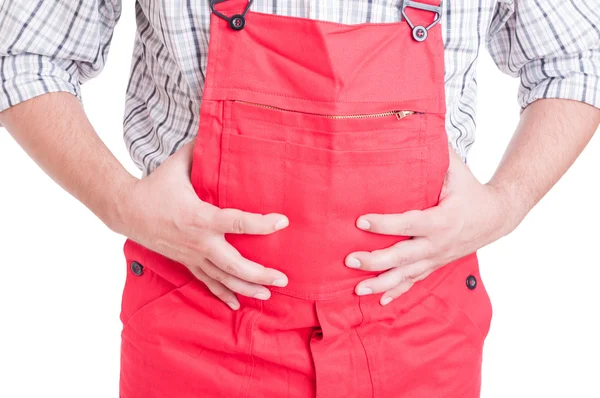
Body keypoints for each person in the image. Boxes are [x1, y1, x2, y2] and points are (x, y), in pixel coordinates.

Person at [1, 0, 599, 397]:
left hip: (417, 330)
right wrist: (121, 204)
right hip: (198, 325)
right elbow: (24, 56)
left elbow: (576, 60)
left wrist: (507, 205)